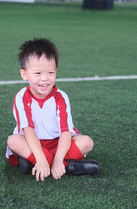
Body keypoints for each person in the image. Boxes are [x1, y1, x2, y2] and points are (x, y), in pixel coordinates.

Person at [6, 38, 100, 182]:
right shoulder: (21, 97)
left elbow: (65, 132)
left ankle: (39, 165)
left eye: (50, 72)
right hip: (31, 143)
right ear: (24, 74)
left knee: (87, 142)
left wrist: (57, 160)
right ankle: (68, 167)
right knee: (13, 141)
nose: (45, 79)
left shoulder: (60, 97)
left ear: (56, 71)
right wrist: (41, 158)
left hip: (58, 144)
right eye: (38, 73)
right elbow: (28, 130)